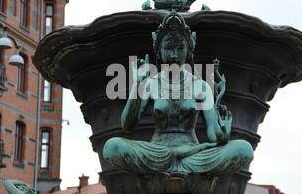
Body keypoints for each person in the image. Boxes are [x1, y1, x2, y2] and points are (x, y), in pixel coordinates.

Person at [103, 11, 253, 176]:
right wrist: (137, 84)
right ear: (159, 51)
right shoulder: (151, 83)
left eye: (180, 48)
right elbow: (127, 125)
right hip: (158, 153)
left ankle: (174, 170)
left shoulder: (201, 86)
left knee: (243, 149)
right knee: (113, 146)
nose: (174, 55)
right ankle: (179, 169)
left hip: (192, 152)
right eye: (168, 48)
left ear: (189, 51)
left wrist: (222, 133)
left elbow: (212, 134)